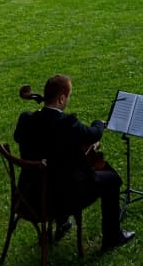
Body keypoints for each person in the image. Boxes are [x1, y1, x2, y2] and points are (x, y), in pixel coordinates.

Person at [14, 74, 134, 251]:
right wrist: (98, 123)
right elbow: (93, 134)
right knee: (112, 180)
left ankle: (62, 223)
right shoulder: (67, 124)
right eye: (68, 96)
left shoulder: (25, 119)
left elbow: (19, 137)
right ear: (61, 98)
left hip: (29, 195)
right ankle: (112, 237)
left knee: (58, 171)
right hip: (59, 199)